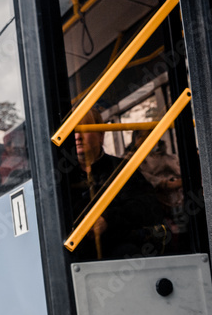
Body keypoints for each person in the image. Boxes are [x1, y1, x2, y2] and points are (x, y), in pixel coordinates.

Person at [69, 109, 164, 260]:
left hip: (119, 251)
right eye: (72, 131)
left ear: (101, 135)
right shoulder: (63, 177)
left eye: (85, 129)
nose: (77, 137)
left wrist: (108, 220)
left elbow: (148, 206)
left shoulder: (121, 169)